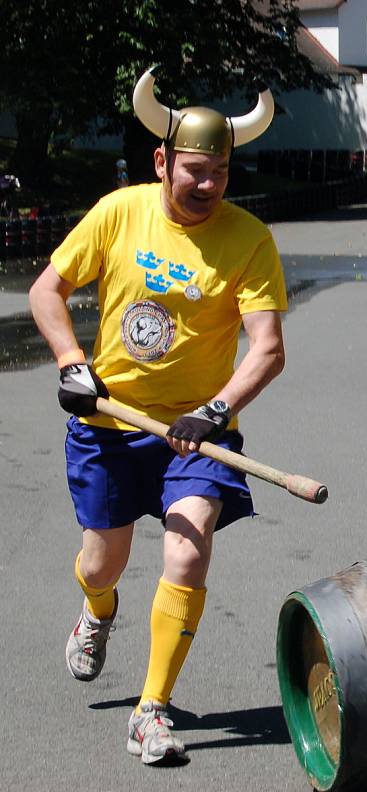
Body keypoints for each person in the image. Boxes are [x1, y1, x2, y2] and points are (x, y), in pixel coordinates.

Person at [28, 67, 284, 766]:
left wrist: (216, 410)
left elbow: (267, 348)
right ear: (162, 161)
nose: (207, 187)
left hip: (196, 433)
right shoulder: (119, 212)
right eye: (194, 172)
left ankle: (151, 709)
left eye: (221, 175)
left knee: (188, 545)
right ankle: (98, 611)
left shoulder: (250, 239)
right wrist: (70, 363)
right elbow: (49, 289)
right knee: (102, 563)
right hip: (108, 427)